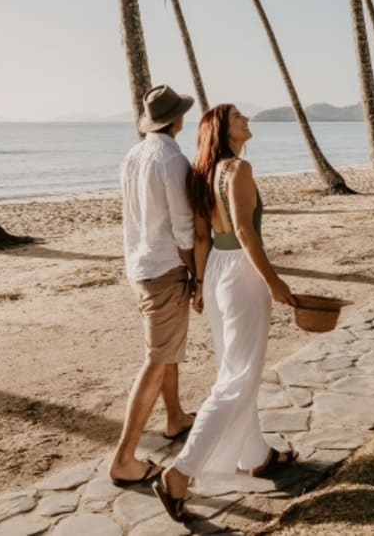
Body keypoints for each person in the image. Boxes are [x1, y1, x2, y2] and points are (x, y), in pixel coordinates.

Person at [154, 104, 296, 523]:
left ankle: (256, 454)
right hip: (240, 274)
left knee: (235, 369)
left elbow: (202, 235)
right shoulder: (238, 170)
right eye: (238, 117)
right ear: (222, 129)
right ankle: (179, 474)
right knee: (237, 377)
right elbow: (245, 230)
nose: (246, 119)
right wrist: (274, 282)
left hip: (216, 271)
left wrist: (200, 284)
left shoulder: (202, 173)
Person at [108, 84, 199, 487]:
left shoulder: (133, 155)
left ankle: (175, 416)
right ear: (176, 120)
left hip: (140, 264)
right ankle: (124, 459)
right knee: (158, 357)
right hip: (165, 268)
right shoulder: (172, 158)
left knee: (167, 347)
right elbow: (183, 227)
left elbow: (132, 215)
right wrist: (195, 272)